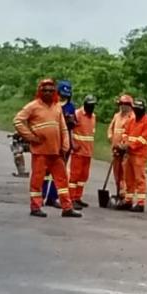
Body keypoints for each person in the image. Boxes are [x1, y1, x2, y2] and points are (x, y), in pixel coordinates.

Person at [14, 78, 79, 218]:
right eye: (45, 90)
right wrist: (30, 137)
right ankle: (36, 206)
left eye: (51, 90)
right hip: (40, 152)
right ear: (40, 91)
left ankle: (67, 207)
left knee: (62, 181)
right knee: (37, 180)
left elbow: (63, 128)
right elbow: (18, 121)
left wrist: (65, 146)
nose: (48, 93)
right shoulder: (33, 106)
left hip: (56, 152)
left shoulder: (57, 107)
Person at [122, 98, 147, 212]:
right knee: (128, 178)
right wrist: (124, 144)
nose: (137, 111)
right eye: (135, 109)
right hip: (129, 154)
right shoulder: (131, 120)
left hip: (140, 155)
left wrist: (129, 145)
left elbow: (143, 139)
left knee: (139, 179)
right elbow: (125, 133)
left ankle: (141, 203)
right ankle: (128, 200)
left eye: (138, 109)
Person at [69, 94, 98, 208]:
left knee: (83, 176)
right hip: (78, 151)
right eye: (90, 105)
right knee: (74, 176)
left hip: (88, 151)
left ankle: (78, 197)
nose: (92, 108)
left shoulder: (93, 117)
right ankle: (71, 198)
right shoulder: (77, 114)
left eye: (93, 105)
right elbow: (70, 129)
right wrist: (73, 144)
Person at [108, 93, 135, 208]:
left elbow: (131, 134)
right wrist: (112, 140)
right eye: (121, 104)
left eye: (125, 104)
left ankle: (125, 195)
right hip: (115, 149)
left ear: (130, 106)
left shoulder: (132, 118)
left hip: (125, 151)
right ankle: (119, 191)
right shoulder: (116, 116)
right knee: (117, 173)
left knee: (125, 174)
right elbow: (110, 129)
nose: (123, 106)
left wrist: (123, 146)